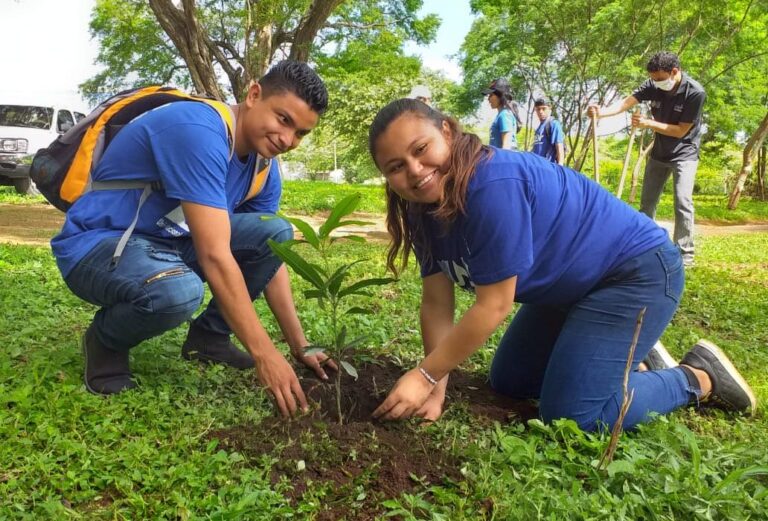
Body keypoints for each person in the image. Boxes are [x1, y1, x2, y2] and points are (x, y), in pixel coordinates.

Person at [367, 99, 755, 431]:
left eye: (421, 149)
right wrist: (435, 388)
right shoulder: (421, 211)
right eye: (396, 167)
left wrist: (423, 375)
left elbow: (494, 304)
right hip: (569, 288)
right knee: (510, 380)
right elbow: (437, 302)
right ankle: (623, 354)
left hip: (636, 272)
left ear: (448, 132)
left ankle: (698, 377)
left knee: (574, 413)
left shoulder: (490, 185)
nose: (415, 170)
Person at [52, 61, 336, 417]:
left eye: (301, 133)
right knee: (178, 292)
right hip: (98, 246)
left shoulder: (263, 166)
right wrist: (265, 354)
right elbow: (215, 255)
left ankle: (209, 340)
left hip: (165, 244)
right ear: (253, 94)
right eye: (283, 119)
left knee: (275, 231)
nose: (288, 140)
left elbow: (271, 255)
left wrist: (300, 345)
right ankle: (105, 342)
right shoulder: (198, 131)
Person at [588, 51, 706, 267]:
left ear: (674, 72)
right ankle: (643, 246)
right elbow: (626, 103)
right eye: (653, 78)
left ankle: (684, 254)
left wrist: (649, 124)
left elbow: (680, 131)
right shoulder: (652, 84)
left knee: (682, 201)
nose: (656, 83)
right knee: (647, 202)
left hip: (685, 153)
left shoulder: (695, 92)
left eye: (660, 79)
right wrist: (601, 112)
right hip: (659, 152)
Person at [482, 78, 519, 150]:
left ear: (500, 95)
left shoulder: (505, 115)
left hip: (505, 159)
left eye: (491, 95)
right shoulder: (501, 115)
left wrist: (501, 161)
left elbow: (506, 146)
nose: (488, 99)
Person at [531, 98, 565, 165]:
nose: (540, 111)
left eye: (543, 108)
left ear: (550, 109)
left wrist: (560, 166)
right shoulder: (538, 128)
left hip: (548, 166)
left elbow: (559, 145)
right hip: (537, 166)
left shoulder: (554, 124)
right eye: (538, 109)